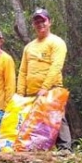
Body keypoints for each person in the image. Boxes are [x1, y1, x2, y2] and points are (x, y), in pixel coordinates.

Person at [17, 8, 71, 149]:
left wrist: (45, 88)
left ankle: (65, 150)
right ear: (33, 25)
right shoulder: (29, 47)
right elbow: (23, 71)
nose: (40, 24)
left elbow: (56, 66)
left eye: (43, 21)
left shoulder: (57, 42)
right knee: (35, 125)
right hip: (31, 93)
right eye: (37, 21)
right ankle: (38, 152)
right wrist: (20, 94)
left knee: (57, 120)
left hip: (51, 90)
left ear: (49, 22)